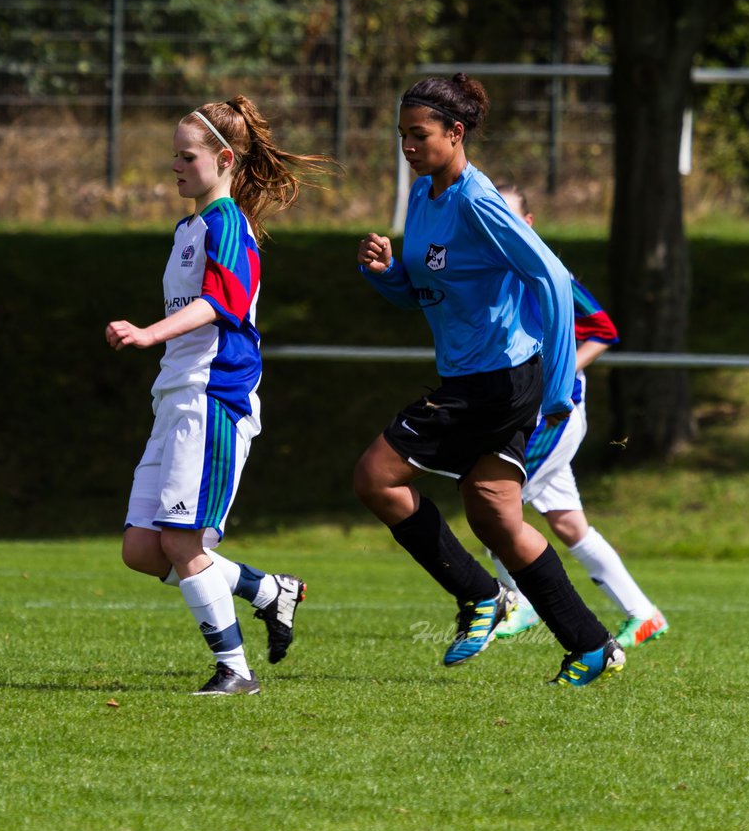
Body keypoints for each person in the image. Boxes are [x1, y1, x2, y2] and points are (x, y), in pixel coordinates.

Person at [354, 73, 625, 687]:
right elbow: (425, 292)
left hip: (497, 381)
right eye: (401, 136)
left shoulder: (480, 201)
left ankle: (481, 597)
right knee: (495, 515)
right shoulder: (423, 197)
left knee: (376, 477)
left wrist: (559, 384)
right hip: (476, 376)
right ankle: (588, 644)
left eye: (419, 135)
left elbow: (551, 281)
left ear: (456, 132)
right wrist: (387, 272)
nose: (407, 147)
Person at [106, 96, 332, 695]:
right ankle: (267, 590)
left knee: (182, 541)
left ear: (224, 158)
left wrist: (148, 332)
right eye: (173, 155)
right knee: (142, 549)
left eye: (186, 156)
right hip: (174, 398)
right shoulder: (190, 227)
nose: (174, 166)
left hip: (212, 398)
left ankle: (235, 671)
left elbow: (223, 303)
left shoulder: (230, 224)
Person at [489, 183, 670, 648]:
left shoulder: (551, 273)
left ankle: (519, 601)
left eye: (510, 218)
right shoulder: (492, 270)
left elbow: (603, 328)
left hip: (555, 412)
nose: (501, 227)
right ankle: (643, 613)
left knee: (492, 506)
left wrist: (558, 370)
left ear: (528, 224)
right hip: (524, 412)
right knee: (569, 523)